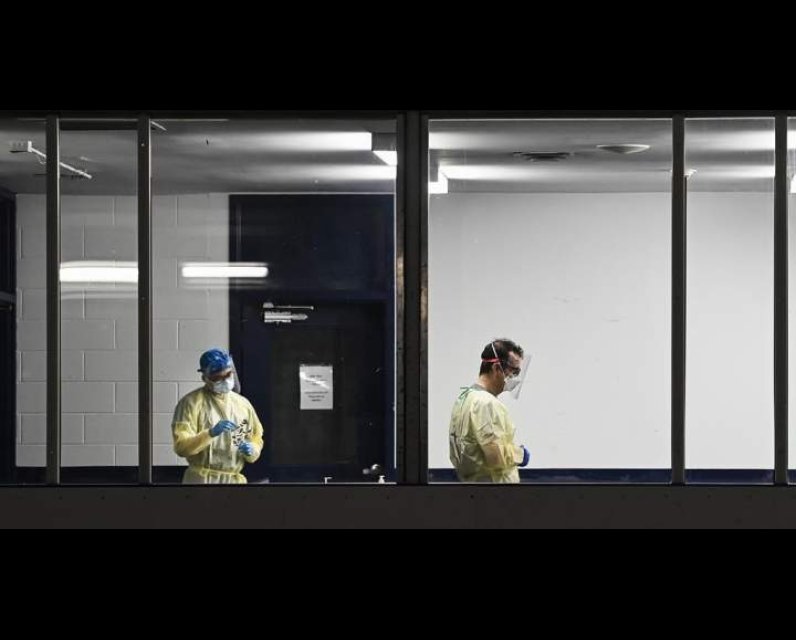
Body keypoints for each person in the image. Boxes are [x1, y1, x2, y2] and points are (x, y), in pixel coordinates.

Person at [171, 348, 264, 484]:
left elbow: (256, 437)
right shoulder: (191, 403)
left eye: (228, 375)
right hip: (201, 480)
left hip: (234, 481)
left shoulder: (243, 404)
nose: (224, 380)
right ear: (205, 378)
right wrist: (210, 434)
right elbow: (182, 447)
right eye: (217, 378)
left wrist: (252, 450)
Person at [448, 338, 530, 483]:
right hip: (495, 489)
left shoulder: (465, 398)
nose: (514, 378)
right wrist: (520, 454)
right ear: (496, 368)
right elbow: (495, 455)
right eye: (513, 371)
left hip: (474, 486)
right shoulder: (486, 404)